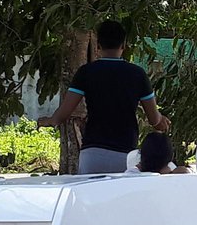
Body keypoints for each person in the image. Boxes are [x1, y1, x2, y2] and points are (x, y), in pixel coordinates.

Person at [37, 21, 170, 174]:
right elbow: (154, 120)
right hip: (125, 154)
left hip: (92, 153)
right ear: (124, 46)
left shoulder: (85, 72)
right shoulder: (138, 74)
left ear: (98, 46)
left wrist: (48, 120)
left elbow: (62, 114)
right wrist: (162, 121)